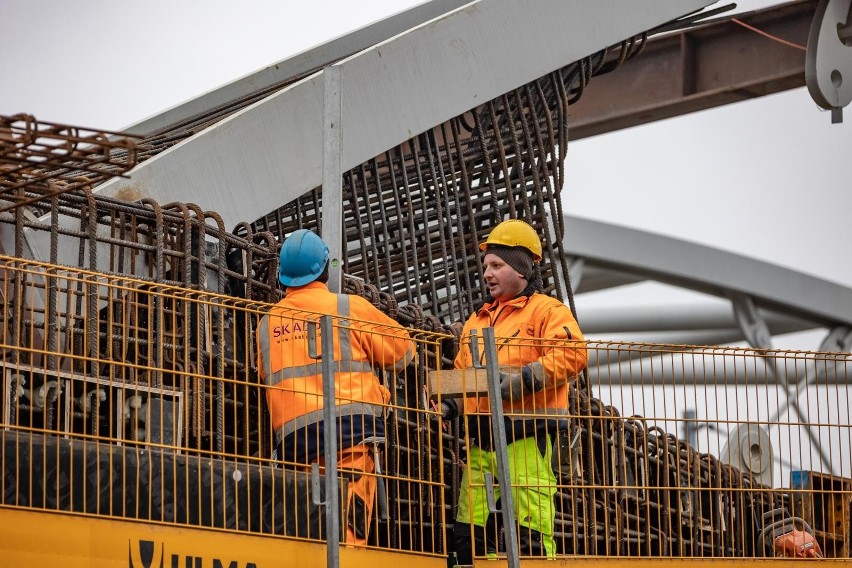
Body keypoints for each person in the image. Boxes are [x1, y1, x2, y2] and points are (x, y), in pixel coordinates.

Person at [256, 229, 414, 546]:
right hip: (351, 436)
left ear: (282, 276)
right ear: (326, 269)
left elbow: (265, 375)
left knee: (309, 533)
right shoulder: (349, 307)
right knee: (348, 532)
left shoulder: (266, 324)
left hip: (296, 445)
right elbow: (403, 354)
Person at [444, 219, 588, 562]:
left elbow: (573, 353)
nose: (487, 274)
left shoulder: (547, 311)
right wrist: (449, 404)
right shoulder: (477, 321)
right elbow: (463, 375)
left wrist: (525, 380)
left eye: (497, 265)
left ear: (522, 270)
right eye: (486, 267)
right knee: (471, 530)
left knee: (530, 530)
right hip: (482, 441)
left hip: (526, 435)